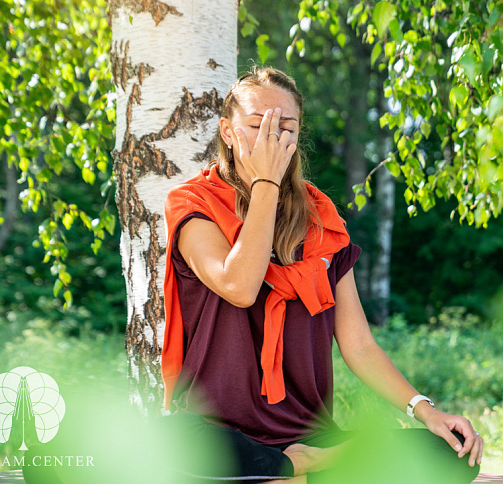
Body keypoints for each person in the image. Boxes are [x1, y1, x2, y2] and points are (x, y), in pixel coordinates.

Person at [156, 66, 483, 484]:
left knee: (450, 454)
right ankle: (299, 469)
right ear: (227, 131)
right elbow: (239, 286)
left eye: (285, 127)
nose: (272, 138)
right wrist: (266, 184)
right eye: (258, 125)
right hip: (217, 433)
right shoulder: (192, 204)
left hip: (308, 435)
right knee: (177, 443)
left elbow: (359, 346)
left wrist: (426, 409)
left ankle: (296, 466)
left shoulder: (320, 217)